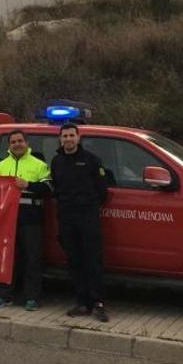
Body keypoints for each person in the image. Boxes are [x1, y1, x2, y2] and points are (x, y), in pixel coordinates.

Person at [50, 123, 109, 322]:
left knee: (92, 260)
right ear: (60, 139)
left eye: (71, 135)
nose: (68, 139)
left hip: (87, 217)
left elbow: (102, 192)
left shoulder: (91, 160)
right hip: (66, 218)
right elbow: (55, 189)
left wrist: (87, 207)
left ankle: (98, 303)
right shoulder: (56, 161)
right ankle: (82, 302)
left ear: (78, 137)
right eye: (64, 136)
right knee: (74, 261)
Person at [0, 130, 52, 311]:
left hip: (31, 218)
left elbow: (49, 188)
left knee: (32, 258)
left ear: (26, 143)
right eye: (13, 142)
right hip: (6, 220)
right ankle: (4, 295)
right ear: (9, 145)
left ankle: (31, 298)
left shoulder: (39, 165)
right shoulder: (0, 165)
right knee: (7, 258)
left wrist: (28, 185)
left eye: (20, 141)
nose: (17, 144)